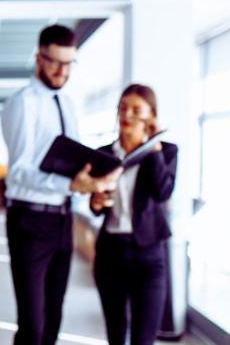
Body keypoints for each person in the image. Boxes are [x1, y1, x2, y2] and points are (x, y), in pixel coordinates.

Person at [1, 24, 122, 345]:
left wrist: (90, 187)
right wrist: (71, 187)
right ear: (39, 58)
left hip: (62, 218)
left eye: (68, 63)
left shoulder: (68, 103)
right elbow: (18, 173)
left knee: (54, 317)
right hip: (29, 221)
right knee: (33, 322)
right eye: (54, 61)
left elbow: (74, 166)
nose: (61, 70)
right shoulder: (23, 102)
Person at [90, 84, 177, 345]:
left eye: (136, 109)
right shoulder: (104, 154)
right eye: (123, 108)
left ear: (150, 116)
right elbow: (96, 209)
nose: (127, 115)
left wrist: (152, 148)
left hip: (149, 256)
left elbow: (163, 192)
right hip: (110, 253)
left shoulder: (166, 151)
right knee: (116, 336)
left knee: (144, 339)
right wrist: (96, 201)